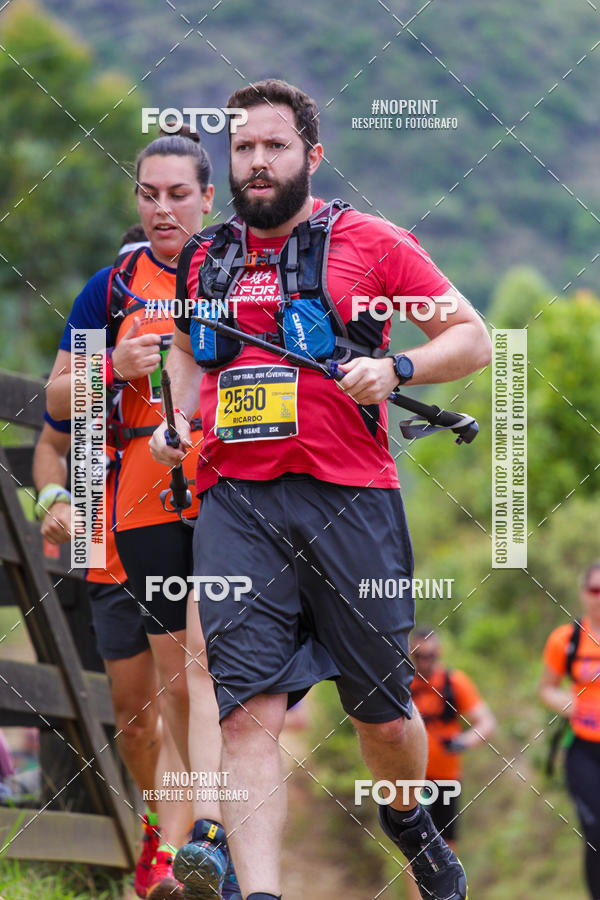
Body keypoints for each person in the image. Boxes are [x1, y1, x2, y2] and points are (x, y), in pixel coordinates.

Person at [150, 78, 491, 900]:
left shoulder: (373, 243)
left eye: (275, 145)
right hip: (236, 500)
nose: (257, 161)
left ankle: (407, 818)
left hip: (351, 498)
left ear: (312, 154)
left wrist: (397, 366)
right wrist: (177, 419)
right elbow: (187, 350)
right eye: (243, 147)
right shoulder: (206, 255)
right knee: (244, 714)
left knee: (384, 716)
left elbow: (471, 337)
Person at [45, 129, 240, 898]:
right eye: (148, 194)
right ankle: (176, 840)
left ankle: (211, 841)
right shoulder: (111, 287)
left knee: (205, 675)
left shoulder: (239, 271)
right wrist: (109, 366)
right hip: (132, 506)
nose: (162, 209)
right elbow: (57, 404)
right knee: (151, 700)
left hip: (224, 496)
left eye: (178, 195)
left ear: (207, 198)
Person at [33, 412, 189, 898]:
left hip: (183, 542)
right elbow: (50, 443)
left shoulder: (190, 363)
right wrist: (55, 498)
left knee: (186, 700)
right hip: (109, 556)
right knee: (135, 723)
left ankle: (185, 847)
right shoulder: (93, 369)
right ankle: (159, 820)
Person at [407, 627, 496, 899]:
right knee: (415, 849)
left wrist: (462, 742)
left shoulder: (454, 683)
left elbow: (486, 723)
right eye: (419, 656)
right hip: (412, 780)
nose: (425, 661)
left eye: (430, 655)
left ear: (439, 653)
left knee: (446, 847)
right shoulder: (402, 684)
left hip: (447, 780)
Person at [540, 560, 600, 900]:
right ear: (583, 593)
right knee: (596, 832)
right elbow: (546, 688)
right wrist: (566, 702)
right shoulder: (567, 639)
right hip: (583, 750)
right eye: (595, 589)